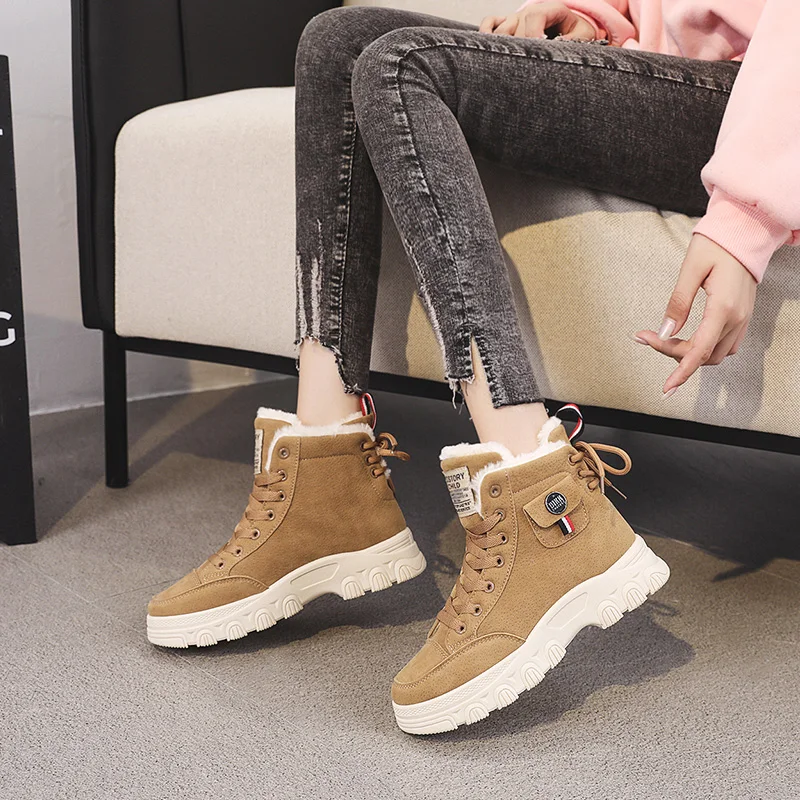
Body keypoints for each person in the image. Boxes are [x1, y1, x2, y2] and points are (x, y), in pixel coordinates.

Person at [145, 0, 799, 734]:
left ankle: (542, 499)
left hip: (764, 104)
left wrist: (745, 220)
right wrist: (595, 17)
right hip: (675, 71)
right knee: (341, 39)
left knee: (403, 65)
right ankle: (326, 472)